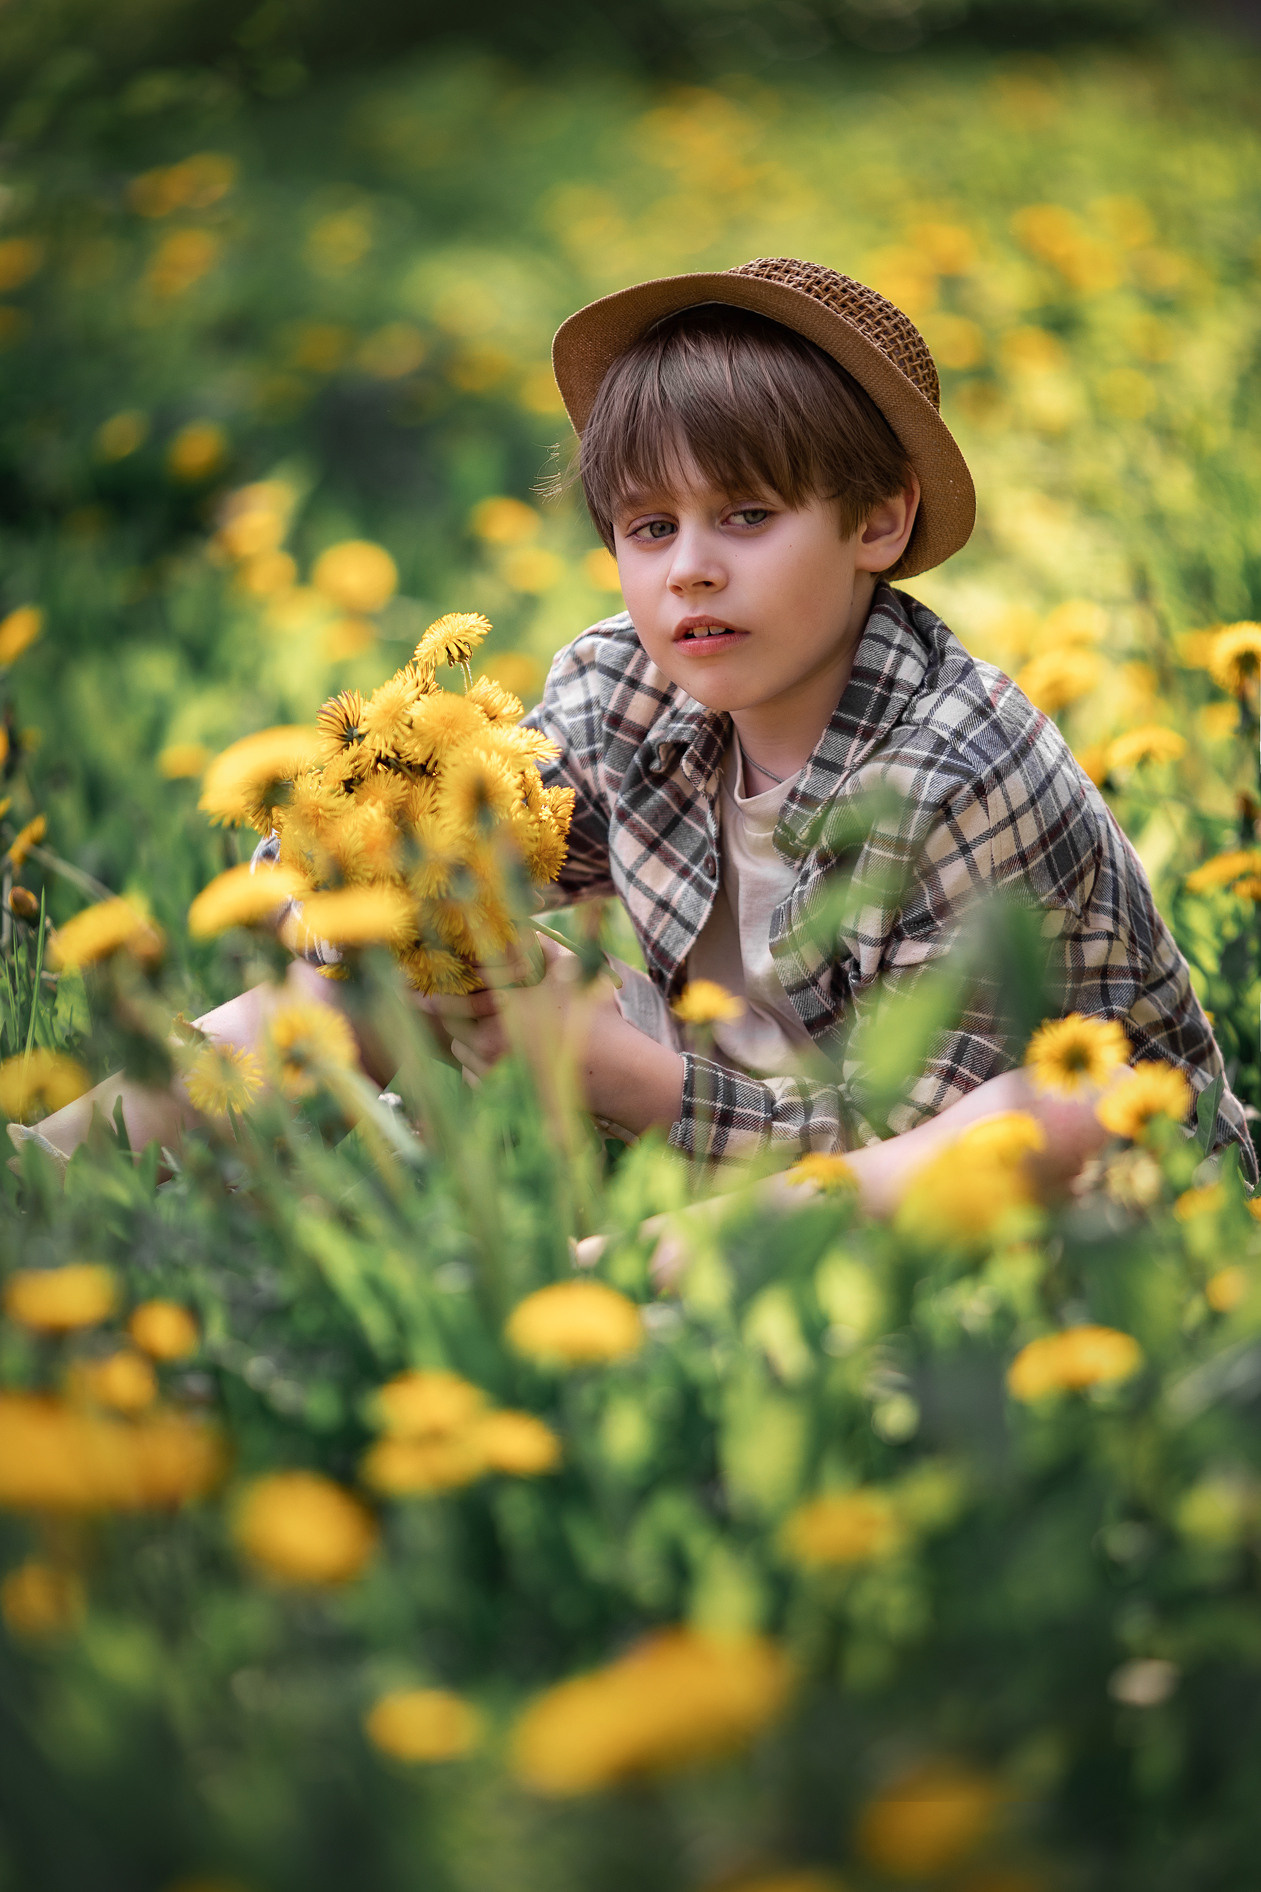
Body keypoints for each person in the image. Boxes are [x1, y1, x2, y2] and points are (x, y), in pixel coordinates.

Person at [18, 257, 1256, 1211]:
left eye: (749, 514)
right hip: (740, 1103)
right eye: (649, 528)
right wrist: (355, 892)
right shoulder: (623, 681)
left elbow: (910, 1144)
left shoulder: (958, 762)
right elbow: (419, 851)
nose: (691, 573)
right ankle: (57, 1169)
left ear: (878, 522)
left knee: (1041, 1113)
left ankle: (647, 1264)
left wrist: (608, 1069)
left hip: (1057, 1177)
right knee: (377, 958)